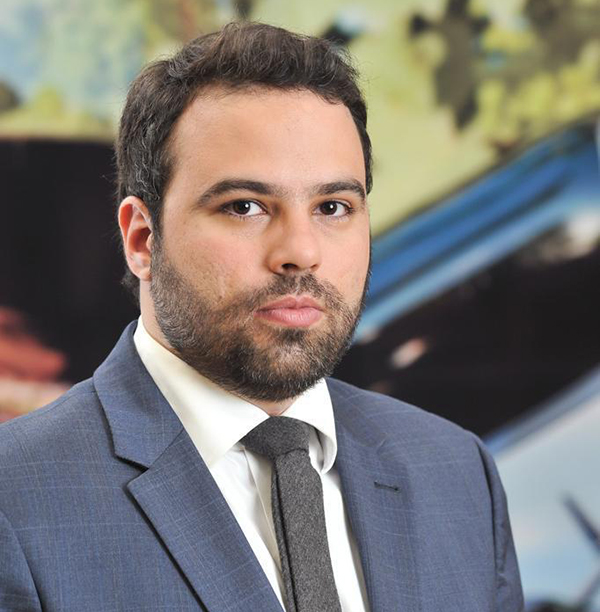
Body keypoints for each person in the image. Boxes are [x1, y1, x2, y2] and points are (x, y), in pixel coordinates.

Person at [0, 22, 523, 612]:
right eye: (244, 206)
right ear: (142, 239)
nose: (300, 251)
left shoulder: (457, 474)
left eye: (333, 207)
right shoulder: (15, 501)